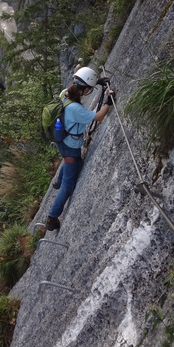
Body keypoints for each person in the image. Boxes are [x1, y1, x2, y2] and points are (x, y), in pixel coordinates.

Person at [45, 66, 115, 231]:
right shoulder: (75, 109)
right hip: (70, 146)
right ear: (84, 89)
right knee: (68, 185)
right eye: (89, 89)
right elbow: (98, 116)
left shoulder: (65, 94)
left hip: (62, 140)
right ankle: (51, 218)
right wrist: (108, 102)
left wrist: (95, 82)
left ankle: (58, 181)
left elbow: (78, 84)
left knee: (72, 161)